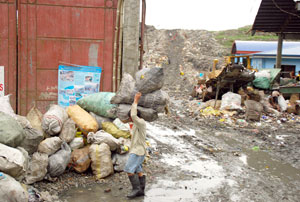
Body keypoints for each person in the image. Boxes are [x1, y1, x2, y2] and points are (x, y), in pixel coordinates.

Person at [123, 92, 147, 199]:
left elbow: (133, 114)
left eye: (132, 118)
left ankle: (136, 189)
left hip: (138, 151)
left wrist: (136, 100)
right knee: (138, 169)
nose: (131, 119)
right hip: (138, 150)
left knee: (129, 169)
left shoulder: (141, 123)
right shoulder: (137, 125)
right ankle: (141, 190)